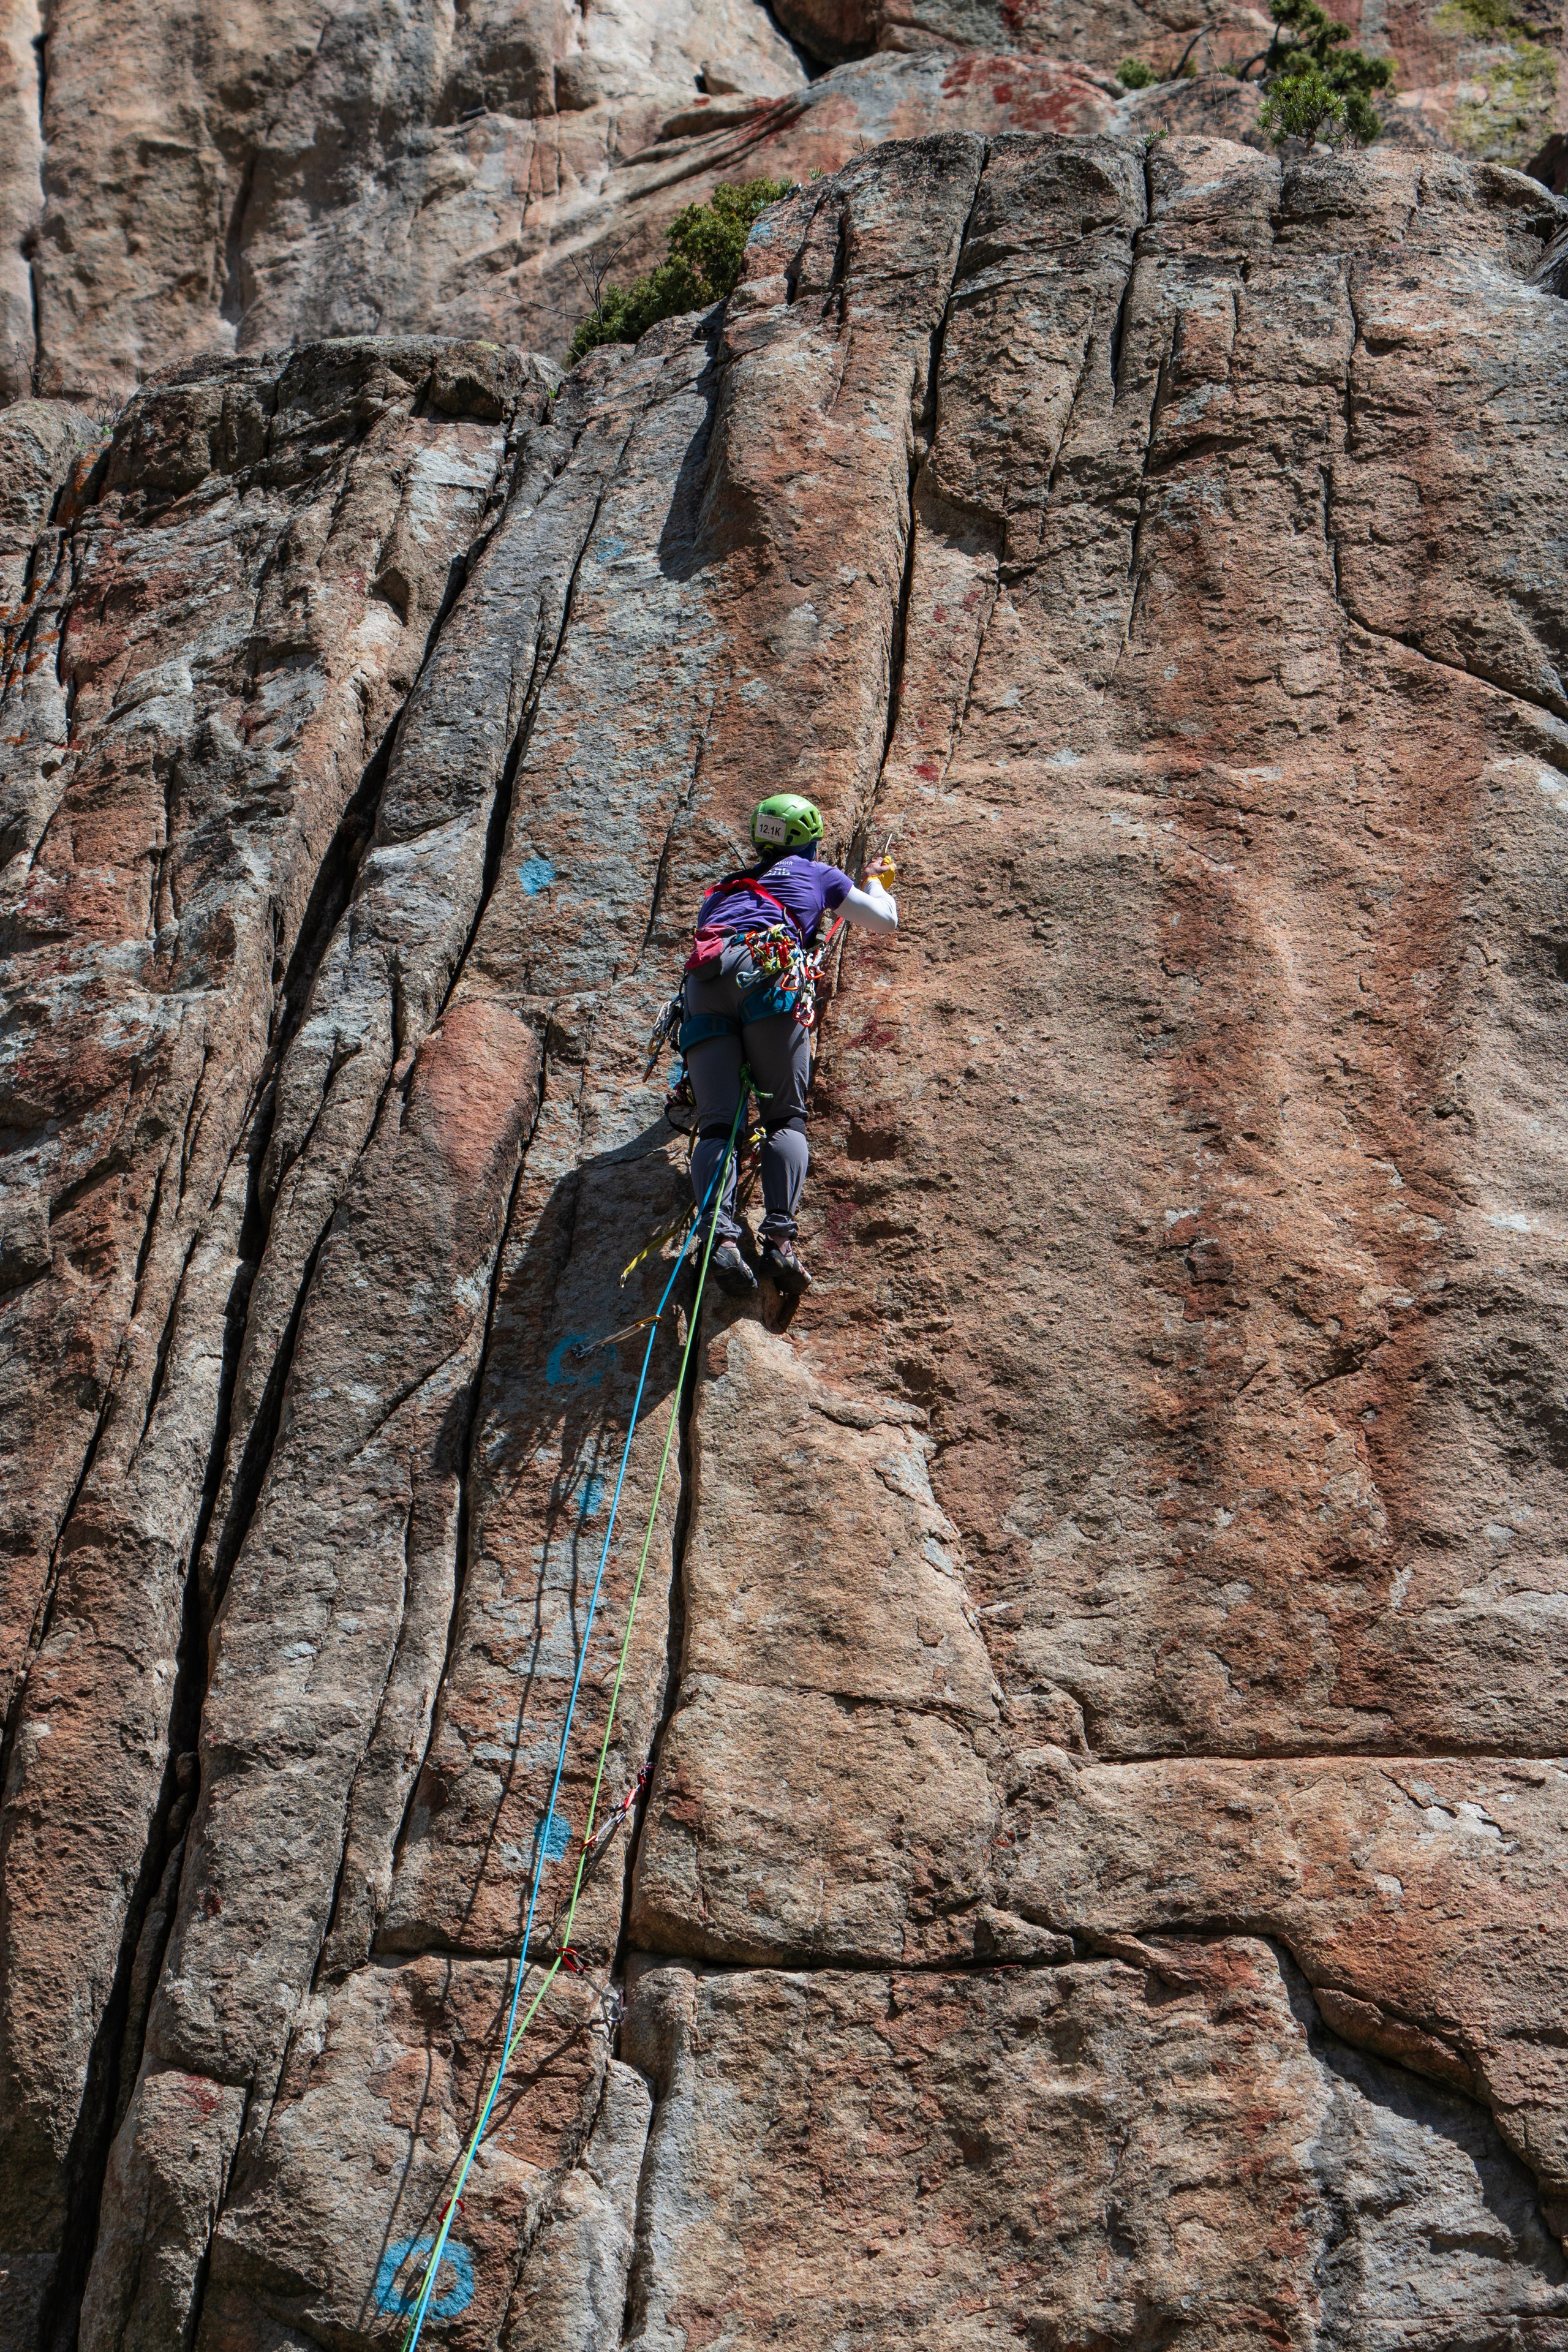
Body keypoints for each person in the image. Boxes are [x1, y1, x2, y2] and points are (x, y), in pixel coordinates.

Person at [679, 793, 897, 1297]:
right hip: (769, 974)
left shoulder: (721, 890)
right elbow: (883, 921)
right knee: (783, 1118)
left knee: (717, 1123)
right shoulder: (817, 875)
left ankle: (720, 1240)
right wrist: (875, 883)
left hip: (706, 983)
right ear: (811, 839)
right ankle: (779, 1239)